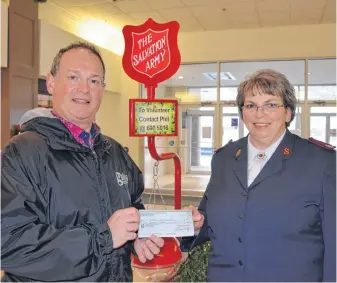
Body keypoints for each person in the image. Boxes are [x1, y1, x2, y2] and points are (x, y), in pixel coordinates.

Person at [1, 42, 163, 282]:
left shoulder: (115, 152)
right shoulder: (22, 153)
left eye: (94, 81)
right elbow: (9, 244)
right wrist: (104, 238)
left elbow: (133, 205)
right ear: (52, 83)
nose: (84, 89)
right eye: (74, 77)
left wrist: (137, 235)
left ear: (103, 89)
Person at [182, 69, 336, 282]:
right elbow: (211, 217)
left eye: (271, 105)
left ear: (288, 113)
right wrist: (197, 222)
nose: (259, 113)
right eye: (251, 105)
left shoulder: (322, 162)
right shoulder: (224, 158)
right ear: (242, 112)